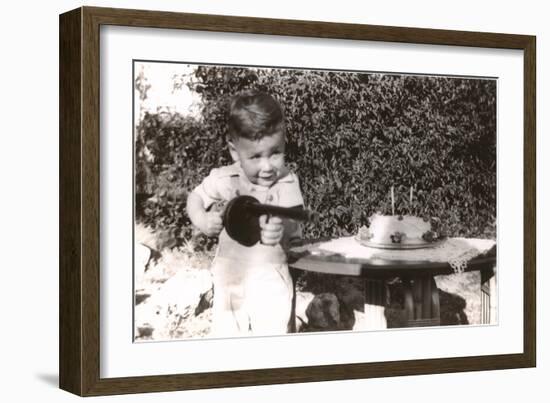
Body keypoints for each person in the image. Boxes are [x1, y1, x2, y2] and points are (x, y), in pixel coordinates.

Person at [186, 90, 304, 337]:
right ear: (234, 151)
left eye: (276, 152)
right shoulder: (224, 178)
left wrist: (282, 226)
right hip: (229, 278)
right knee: (227, 344)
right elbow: (195, 198)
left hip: (270, 279)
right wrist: (202, 219)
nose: (267, 166)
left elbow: (296, 223)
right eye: (256, 156)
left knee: (273, 348)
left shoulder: (286, 182)